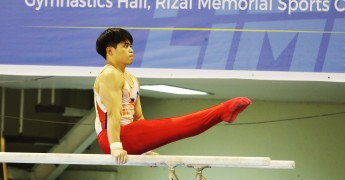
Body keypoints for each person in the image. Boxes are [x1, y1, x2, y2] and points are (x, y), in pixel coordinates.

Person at [94, 28, 252, 164]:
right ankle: (222, 111)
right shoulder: (109, 75)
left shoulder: (132, 79)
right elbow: (113, 114)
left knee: (179, 126)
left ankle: (221, 112)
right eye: (126, 46)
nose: (131, 50)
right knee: (180, 125)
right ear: (110, 50)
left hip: (130, 134)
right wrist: (115, 147)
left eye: (131, 46)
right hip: (112, 138)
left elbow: (139, 118)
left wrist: (145, 150)